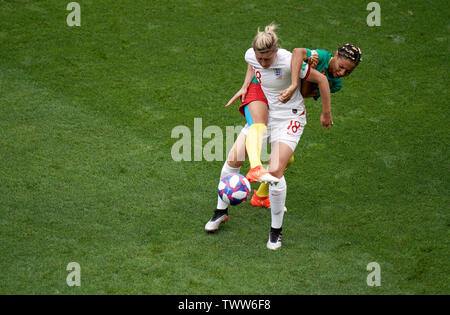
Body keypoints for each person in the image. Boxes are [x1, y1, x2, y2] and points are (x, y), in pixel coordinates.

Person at [205, 23, 333, 250]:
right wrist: (245, 86)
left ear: (276, 51)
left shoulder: (286, 61)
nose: (263, 63)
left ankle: (276, 231)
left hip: (290, 119)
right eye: (259, 58)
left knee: (274, 171)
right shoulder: (252, 56)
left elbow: (322, 81)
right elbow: (252, 66)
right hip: (265, 113)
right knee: (232, 160)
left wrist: (325, 112)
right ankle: (221, 212)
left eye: (267, 59)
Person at [246, 43, 363, 208]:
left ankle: (260, 195)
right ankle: (253, 169)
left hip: (286, 108)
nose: (342, 73)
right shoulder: (322, 55)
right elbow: (297, 52)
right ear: (335, 55)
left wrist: (311, 74)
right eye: (341, 66)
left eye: (348, 71)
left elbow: (305, 93)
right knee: (254, 137)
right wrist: (305, 71)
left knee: (287, 159)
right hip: (270, 94)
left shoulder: (336, 84)